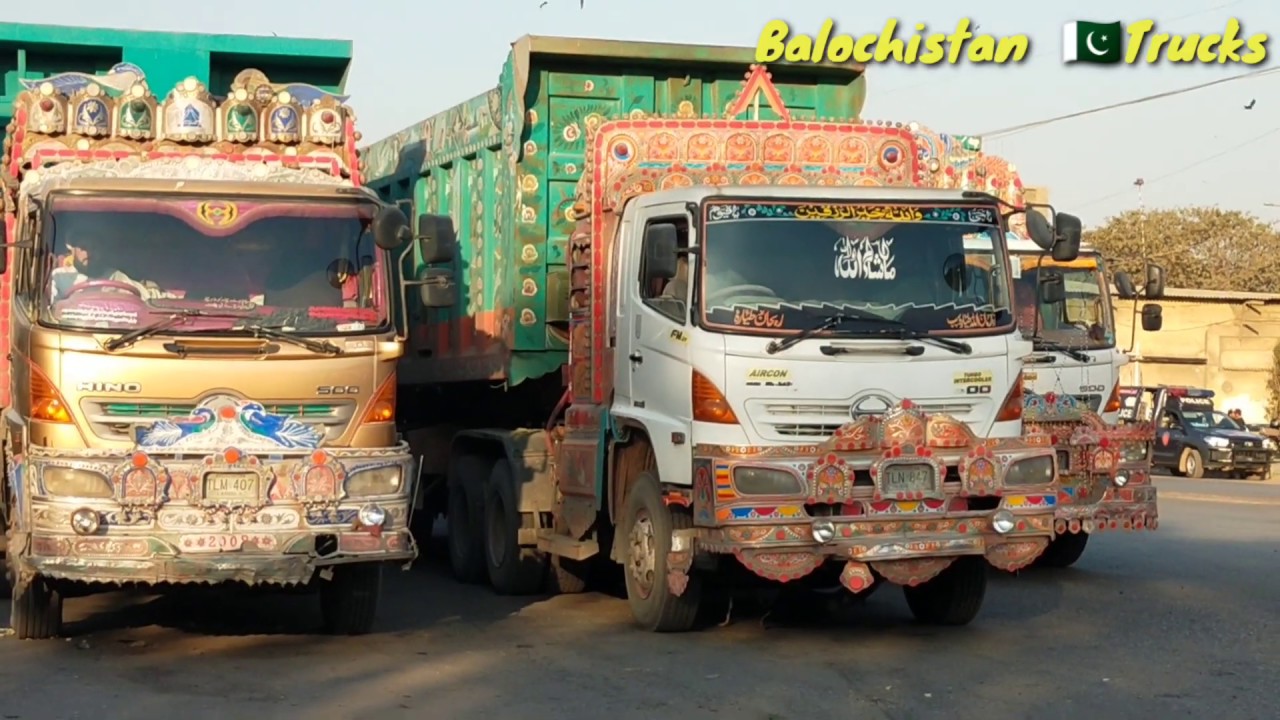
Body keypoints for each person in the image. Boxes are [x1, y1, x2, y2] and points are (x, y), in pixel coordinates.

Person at [49, 234, 166, 302]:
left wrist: (178, 300)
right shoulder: (59, 277)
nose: (89, 253)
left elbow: (146, 297)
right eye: (84, 248)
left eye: (94, 248)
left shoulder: (114, 276)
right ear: (73, 249)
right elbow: (49, 307)